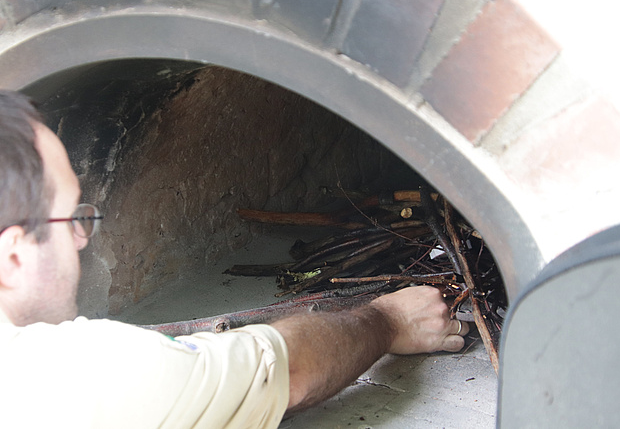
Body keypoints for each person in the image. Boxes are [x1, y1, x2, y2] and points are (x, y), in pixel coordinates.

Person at [0, 90, 469, 428]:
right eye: (72, 219)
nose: (82, 241)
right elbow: (290, 371)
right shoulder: (83, 376)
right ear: (12, 254)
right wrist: (387, 318)